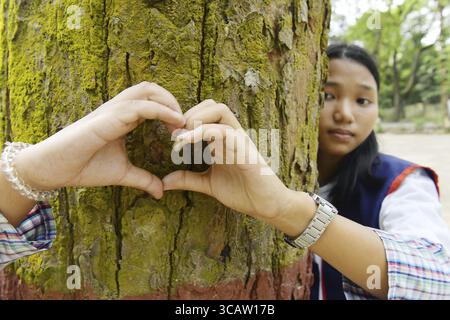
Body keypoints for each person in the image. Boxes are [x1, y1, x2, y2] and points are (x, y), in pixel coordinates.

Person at [1, 44, 450, 300]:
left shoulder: (401, 182)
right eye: (328, 95)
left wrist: (287, 209)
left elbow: (438, 278)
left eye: (363, 100)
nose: (345, 114)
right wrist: (30, 172)